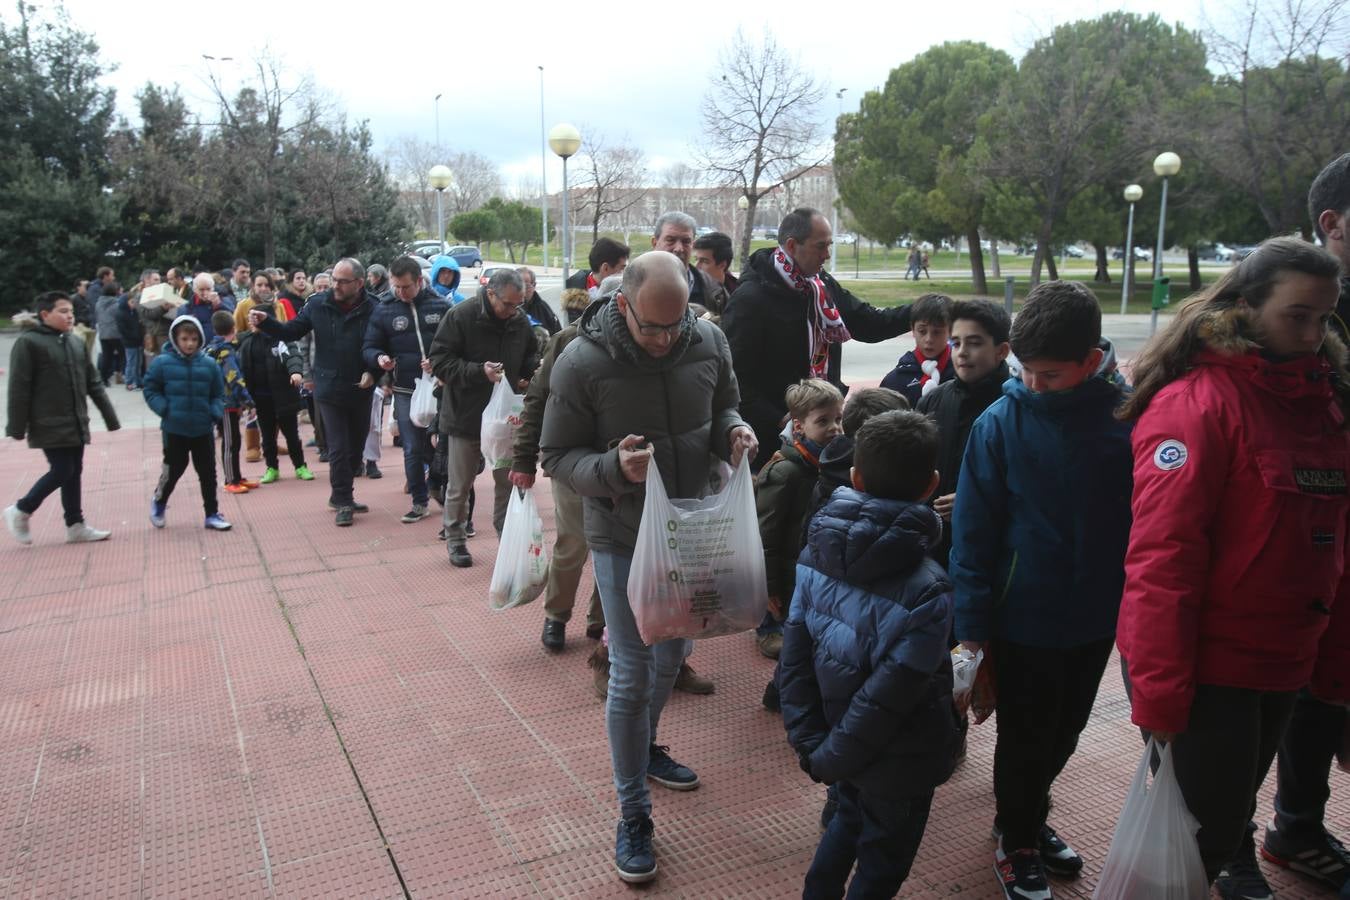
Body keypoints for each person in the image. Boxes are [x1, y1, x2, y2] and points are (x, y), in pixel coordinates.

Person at [1116, 238, 1349, 899]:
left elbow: (1334, 548)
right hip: (1209, 667)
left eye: (1324, 319)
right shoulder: (1197, 406)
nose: (1312, 334)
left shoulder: (1323, 402)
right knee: (1202, 834)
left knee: (1220, 825)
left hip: (1282, 659)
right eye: (1296, 315)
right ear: (1246, 308)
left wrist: (1333, 673)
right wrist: (1160, 693)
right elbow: (1163, 560)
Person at [539, 250, 758, 884]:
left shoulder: (708, 338)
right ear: (623, 305)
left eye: (675, 324)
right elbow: (558, 455)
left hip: (691, 528)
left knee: (673, 654)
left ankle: (646, 747)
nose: (664, 341)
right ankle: (633, 811)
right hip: (621, 532)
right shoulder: (581, 360)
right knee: (633, 671)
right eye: (650, 327)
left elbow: (724, 410)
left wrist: (735, 433)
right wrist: (613, 470)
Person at [949, 280, 1134, 900]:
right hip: (1020, 616)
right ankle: (1018, 837)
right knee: (1026, 736)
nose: (1033, 385)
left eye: (1050, 375)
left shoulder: (1126, 420)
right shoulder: (999, 425)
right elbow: (972, 536)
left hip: (1095, 615)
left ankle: (1023, 814)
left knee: (1068, 729)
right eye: (1025, 371)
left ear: (1092, 359)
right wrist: (971, 628)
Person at [779, 410, 960, 899]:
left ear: (855, 476)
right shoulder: (930, 587)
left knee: (844, 825)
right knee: (882, 863)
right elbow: (896, 690)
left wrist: (816, 746)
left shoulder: (815, 550)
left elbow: (793, 657)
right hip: (903, 759)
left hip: (837, 740)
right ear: (932, 486)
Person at [1254, 153, 1350, 896]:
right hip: (1313, 547)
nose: (1313, 330)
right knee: (1309, 687)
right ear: (1332, 223)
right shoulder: (1292, 327)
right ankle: (1292, 824)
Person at [723, 207, 914, 470]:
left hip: (824, 431)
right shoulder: (750, 299)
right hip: (774, 442)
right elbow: (735, 378)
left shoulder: (819, 284)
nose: (827, 254)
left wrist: (915, 312)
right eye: (820, 246)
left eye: (830, 246)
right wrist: (780, 419)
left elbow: (867, 323)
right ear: (792, 245)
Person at [510, 288, 607, 654]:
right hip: (571, 458)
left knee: (614, 547)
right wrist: (523, 459)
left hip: (620, 460)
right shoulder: (567, 340)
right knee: (574, 541)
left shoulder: (645, 340)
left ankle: (602, 619)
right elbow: (536, 398)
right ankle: (556, 616)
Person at [251, 258, 378, 527]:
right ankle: (344, 501)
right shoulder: (318, 304)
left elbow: (382, 344)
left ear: (359, 283)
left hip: (362, 388)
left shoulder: (374, 307)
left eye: (342, 281)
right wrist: (266, 322)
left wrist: (377, 373)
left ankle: (339, 494)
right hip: (328, 388)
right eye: (334, 279)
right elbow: (291, 330)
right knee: (339, 449)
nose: (336, 286)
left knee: (356, 450)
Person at [428, 267, 539, 566]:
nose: (513, 310)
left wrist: (531, 371)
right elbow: (440, 361)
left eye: (519, 305)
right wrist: (479, 372)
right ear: (490, 293)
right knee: (460, 483)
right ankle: (456, 539)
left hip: (505, 419)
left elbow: (530, 353)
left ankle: (506, 535)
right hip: (466, 415)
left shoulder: (518, 321)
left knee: (507, 480)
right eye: (508, 304)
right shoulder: (461, 316)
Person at [4, 291, 121, 545]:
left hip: (76, 420)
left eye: (71, 311)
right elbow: (19, 387)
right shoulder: (29, 343)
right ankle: (22, 509)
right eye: (63, 312)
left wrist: (110, 417)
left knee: (74, 471)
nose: (70, 316)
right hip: (46, 422)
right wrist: (16, 426)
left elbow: (94, 382)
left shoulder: (75, 342)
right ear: (45, 314)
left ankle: (75, 525)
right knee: (62, 469)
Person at [915, 299, 1012, 569]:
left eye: (975, 343)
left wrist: (976, 501)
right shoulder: (934, 401)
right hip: (933, 548)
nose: (962, 353)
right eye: (956, 343)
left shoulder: (1015, 407)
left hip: (990, 554)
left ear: (1002, 350)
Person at [755, 379, 845, 661]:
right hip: (787, 571)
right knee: (793, 641)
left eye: (839, 419)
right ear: (798, 426)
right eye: (823, 421)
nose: (835, 428)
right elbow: (765, 537)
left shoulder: (833, 464)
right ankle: (767, 628)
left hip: (813, 568)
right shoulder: (785, 472)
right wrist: (767, 588)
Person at [363, 255, 451, 523]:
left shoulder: (441, 305)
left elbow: (458, 343)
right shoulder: (384, 309)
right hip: (404, 388)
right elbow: (370, 345)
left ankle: (437, 483)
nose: (400, 293)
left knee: (439, 446)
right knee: (412, 447)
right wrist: (380, 359)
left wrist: (439, 363)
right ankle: (419, 499)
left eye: (406, 287)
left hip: (439, 387)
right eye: (396, 287)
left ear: (419, 281)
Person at [143, 316, 231, 532]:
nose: (189, 343)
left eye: (193, 338)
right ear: (175, 338)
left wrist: (214, 412)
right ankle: (159, 502)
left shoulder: (209, 364)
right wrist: (164, 409)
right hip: (175, 429)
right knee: (173, 470)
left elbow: (218, 393)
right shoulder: (162, 363)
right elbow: (150, 389)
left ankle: (211, 513)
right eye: (184, 338)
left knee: (208, 472)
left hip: (202, 428)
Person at [238, 302, 313, 484]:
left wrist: (296, 372)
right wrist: (244, 397)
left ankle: (300, 466)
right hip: (261, 399)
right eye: (250, 318)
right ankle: (272, 467)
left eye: (256, 318)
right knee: (267, 437)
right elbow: (240, 369)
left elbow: (293, 355)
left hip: (283, 397)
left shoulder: (280, 340)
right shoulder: (246, 342)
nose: (252, 322)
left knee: (291, 435)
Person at [205, 310, 258, 495]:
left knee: (234, 439)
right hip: (227, 403)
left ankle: (236, 476)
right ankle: (230, 479)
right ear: (233, 328)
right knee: (230, 441)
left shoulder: (214, 347)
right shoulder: (225, 351)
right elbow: (234, 378)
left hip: (228, 402)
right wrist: (248, 401)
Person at [648, 212, 729, 320]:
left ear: (692, 245)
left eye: (686, 241)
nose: (679, 248)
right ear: (654, 243)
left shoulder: (716, 292)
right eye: (670, 240)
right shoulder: (632, 283)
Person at [881, 293, 955, 407]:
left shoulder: (962, 373)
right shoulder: (896, 380)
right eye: (922, 331)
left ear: (951, 331)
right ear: (913, 329)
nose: (929, 339)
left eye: (937, 332)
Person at [563, 236, 631, 323]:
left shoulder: (627, 289)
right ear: (605, 268)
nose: (624, 273)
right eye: (622, 268)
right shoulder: (575, 290)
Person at [114, 282, 144, 391]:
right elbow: (124, 330)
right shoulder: (121, 314)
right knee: (131, 362)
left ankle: (138, 381)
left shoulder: (133, 312)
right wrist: (134, 336)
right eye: (132, 302)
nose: (134, 304)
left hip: (137, 341)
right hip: (130, 342)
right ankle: (130, 382)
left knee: (138, 363)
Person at [94, 280, 124, 386]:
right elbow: (119, 316)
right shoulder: (117, 303)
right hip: (115, 333)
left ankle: (104, 379)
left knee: (106, 356)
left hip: (103, 333)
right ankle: (121, 375)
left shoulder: (98, 303)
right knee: (123, 354)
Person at [517, 267, 562, 336]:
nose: (521, 291)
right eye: (517, 286)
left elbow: (558, 336)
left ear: (534, 285)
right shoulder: (507, 307)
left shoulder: (544, 309)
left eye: (525, 286)